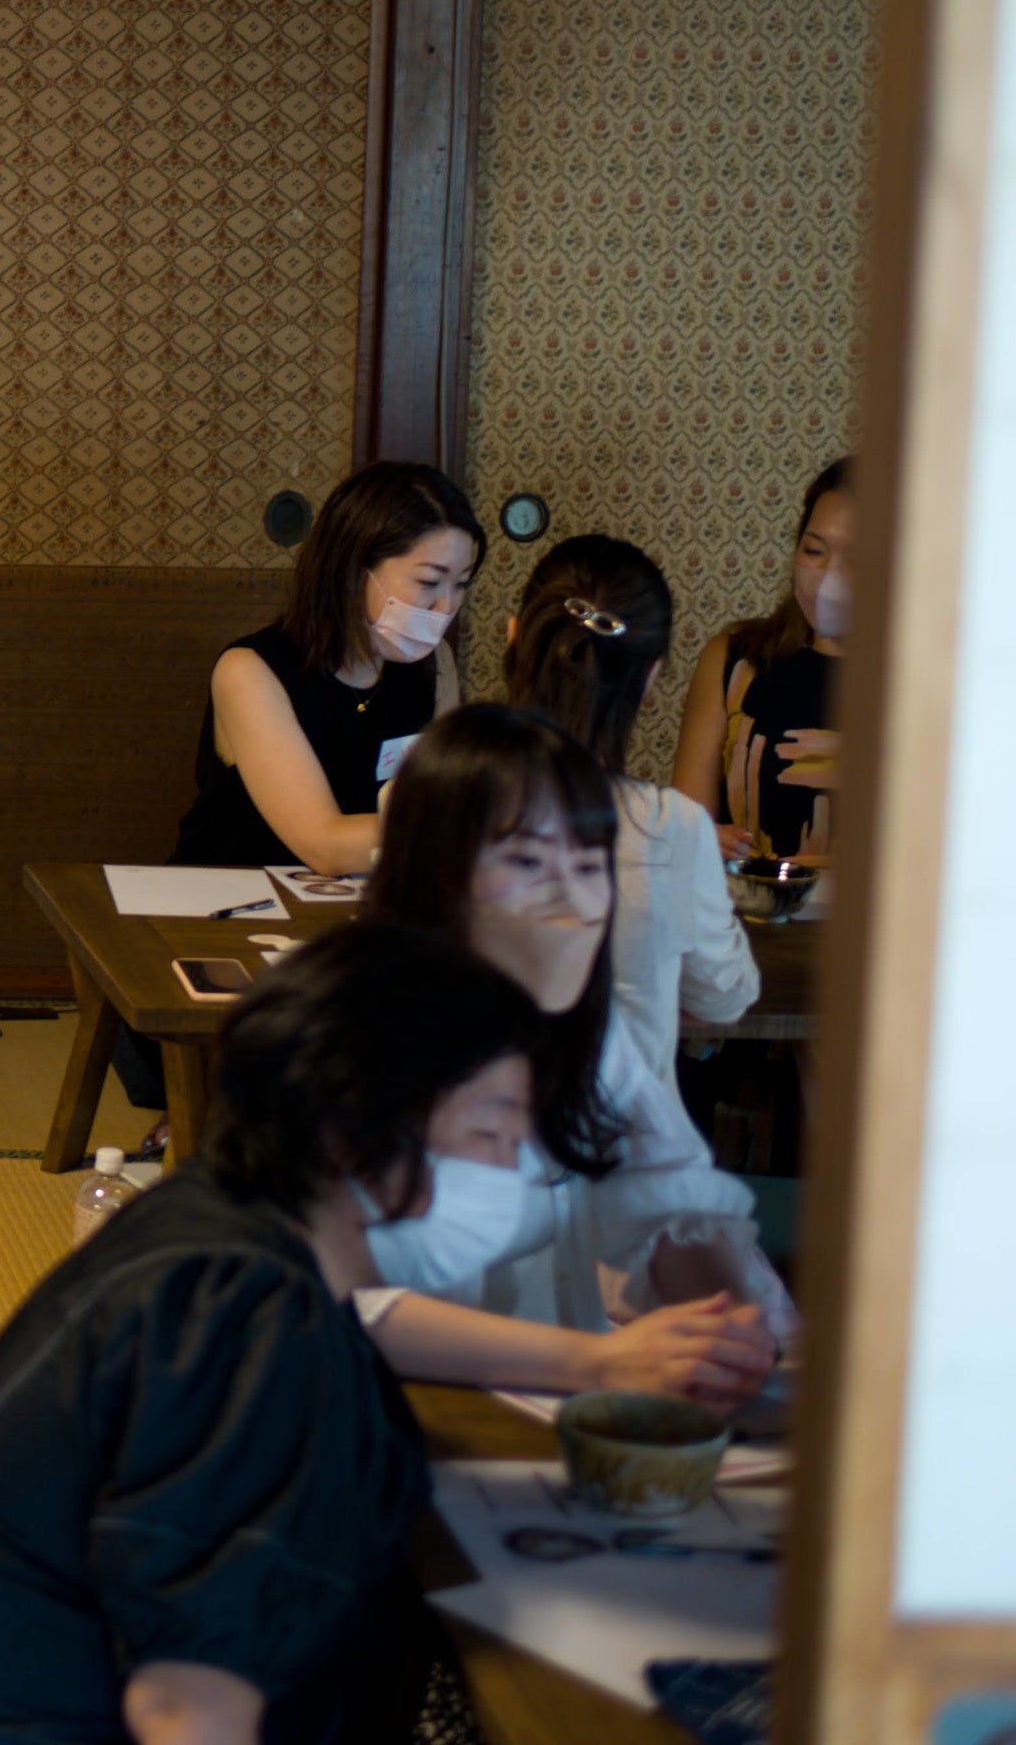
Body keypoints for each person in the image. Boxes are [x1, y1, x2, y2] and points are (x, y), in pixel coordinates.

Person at [0, 922, 537, 1745]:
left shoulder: (224, 1213)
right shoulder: (249, 1317)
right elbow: (186, 1710)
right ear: (356, 1131)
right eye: (489, 1133)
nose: (511, 1171)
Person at [353, 706, 786, 1395]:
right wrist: (597, 1361)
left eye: (590, 864)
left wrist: (735, 1334)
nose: (576, 902)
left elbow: (670, 1198)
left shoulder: (584, 1030)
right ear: (434, 867)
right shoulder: (354, 1035)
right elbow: (336, 1299)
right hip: (403, 1409)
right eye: (528, 861)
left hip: (554, 1404)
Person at [499, 537, 757, 1084]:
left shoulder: (423, 794)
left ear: (514, 635)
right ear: (651, 675)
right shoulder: (673, 826)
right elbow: (725, 996)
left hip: (461, 1131)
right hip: (621, 1127)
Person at [172, 461, 484, 878]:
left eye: (460, 584)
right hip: (231, 896)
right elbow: (325, 846)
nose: (446, 607)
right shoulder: (250, 670)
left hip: (360, 899)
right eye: (429, 582)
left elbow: (441, 799)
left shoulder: (435, 664)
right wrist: (480, 830)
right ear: (354, 570)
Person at [671, 456, 851, 864]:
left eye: (854, 560)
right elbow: (685, 828)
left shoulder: (923, 682)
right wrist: (702, 838)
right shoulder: (735, 661)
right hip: (744, 902)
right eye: (814, 550)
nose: (829, 576)